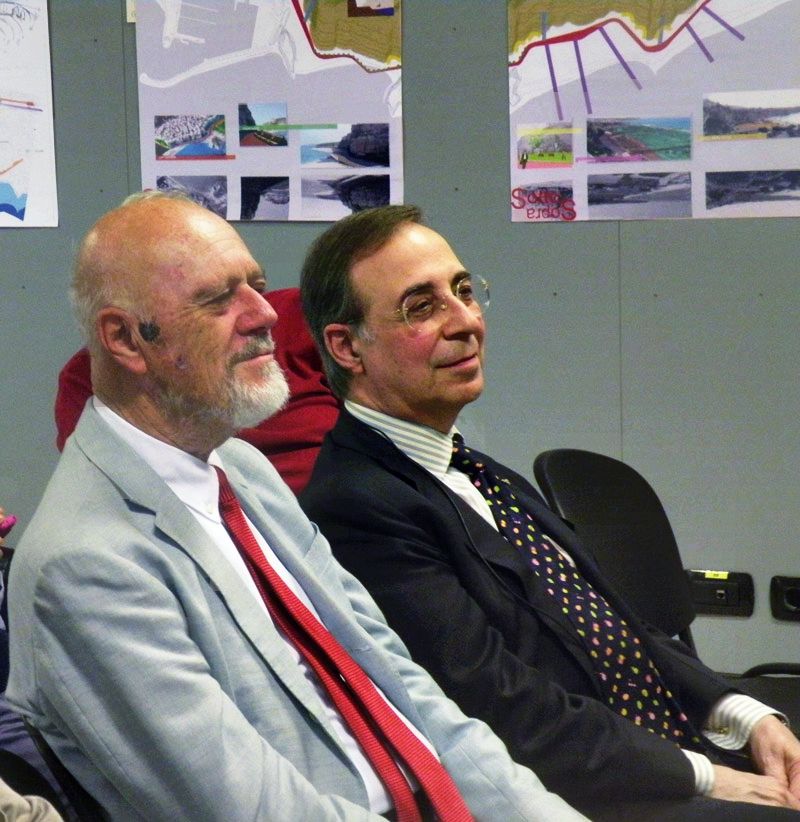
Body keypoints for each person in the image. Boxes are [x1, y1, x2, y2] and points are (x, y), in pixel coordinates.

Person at [6, 192, 586, 822]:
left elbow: (402, 685)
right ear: (124, 339)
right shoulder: (85, 563)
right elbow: (255, 810)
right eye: (219, 299)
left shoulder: (242, 468)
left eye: (256, 287)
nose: (265, 315)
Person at [298, 204, 800, 821]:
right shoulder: (357, 505)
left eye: (463, 291)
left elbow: (616, 628)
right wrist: (706, 776)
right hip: (579, 794)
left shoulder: (476, 470)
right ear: (347, 347)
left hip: (651, 749)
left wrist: (746, 715)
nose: (466, 322)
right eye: (421, 307)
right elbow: (500, 707)